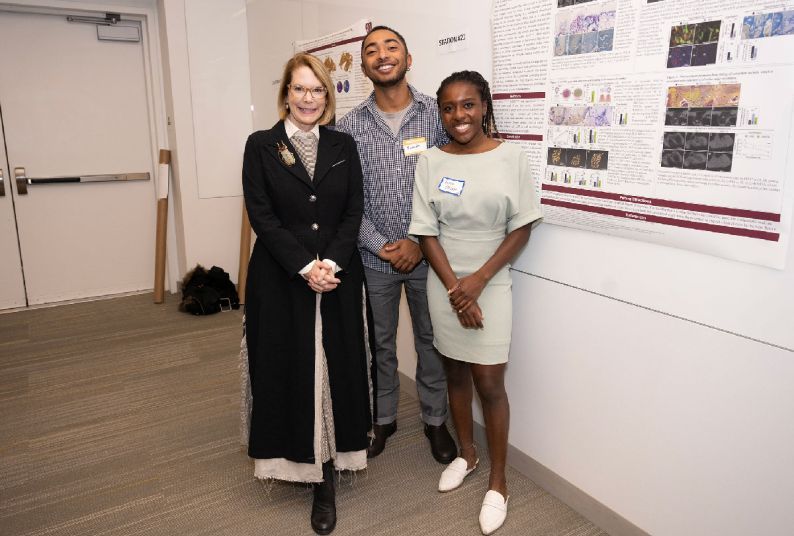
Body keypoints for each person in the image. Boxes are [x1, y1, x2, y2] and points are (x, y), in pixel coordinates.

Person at [242, 52, 371, 535]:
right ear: (286, 95)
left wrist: (331, 263)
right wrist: (303, 266)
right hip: (280, 277)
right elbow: (262, 216)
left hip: (337, 274)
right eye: (300, 89)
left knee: (335, 368)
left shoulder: (343, 144)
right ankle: (298, 463)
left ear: (328, 96)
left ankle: (330, 472)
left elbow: (353, 211)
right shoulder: (261, 145)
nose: (309, 98)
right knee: (288, 367)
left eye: (317, 89)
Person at [408, 71, 542, 535]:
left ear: (484, 105)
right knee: (454, 372)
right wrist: (455, 289)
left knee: (489, 382)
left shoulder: (512, 156)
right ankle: (467, 454)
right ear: (440, 113)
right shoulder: (429, 160)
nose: (458, 116)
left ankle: (499, 482)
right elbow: (425, 231)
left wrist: (478, 281)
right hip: (445, 279)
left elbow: (521, 226)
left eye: (467, 105)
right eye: (448, 107)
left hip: (492, 279)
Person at [336, 25, 456, 463]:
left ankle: (436, 421)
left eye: (391, 47)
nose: (382, 55)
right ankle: (383, 418)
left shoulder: (435, 114)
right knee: (380, 345)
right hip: (374, 258)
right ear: (364, 65)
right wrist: (379, 244)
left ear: (408, 58)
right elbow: (347, 200)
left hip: (430, 255)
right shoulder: (348, 127)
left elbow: (450, 186)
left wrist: (420, 244)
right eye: (372, 50)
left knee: (431, 341)